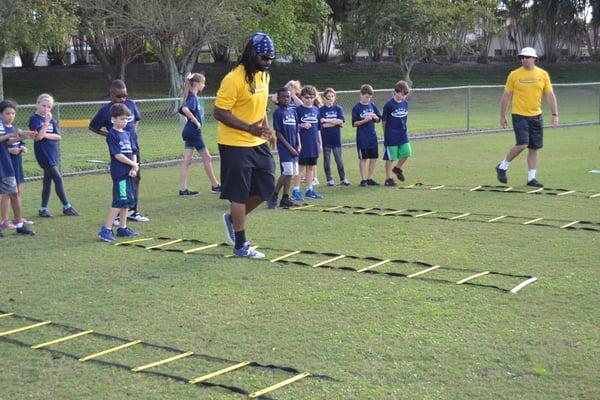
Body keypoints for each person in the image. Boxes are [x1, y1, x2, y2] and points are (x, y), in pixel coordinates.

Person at [213, 32, 276, 259]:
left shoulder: (264, 77)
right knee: (238, 195)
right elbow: (219, 112)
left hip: (258, 141)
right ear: (252, 54)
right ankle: (241, 245)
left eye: (271, 58)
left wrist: (268, 130)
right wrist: (249, 128)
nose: (268, 63)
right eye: (264, 58)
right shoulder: (233, 79)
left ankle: (232, 219)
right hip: (234, 143)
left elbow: (261, 107)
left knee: (267, 188)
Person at [496, 47, 559, 187]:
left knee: (534, 147)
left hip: (536, 116)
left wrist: (554, 114)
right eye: (521, 57)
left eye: (526, 57)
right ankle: (502, 166)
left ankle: (531, 179)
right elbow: (506, 96)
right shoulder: (514, 75)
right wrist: (502, 115)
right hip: (519, 115)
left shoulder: (543, 74)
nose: (523, 59)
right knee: (523, 144)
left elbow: (549, 95)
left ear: (534, 59)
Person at [89, 80, 149, 222]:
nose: (122, 99)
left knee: (135, 177)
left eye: (125, 96)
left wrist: (133, 132)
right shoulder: (106, 111)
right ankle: (116, 216)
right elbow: (92, 127)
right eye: (119, 96)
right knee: (121, 181)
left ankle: (132, 211)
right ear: (111, 94)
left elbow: (137, 119)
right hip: (119, 152)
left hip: (133, 148)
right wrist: (109, 135)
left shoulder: (131, 104)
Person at [29, 94, 79, 217]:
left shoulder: (53, 120)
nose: (46, 109)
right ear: (37, 104)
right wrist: (46, 124)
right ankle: (67, 206)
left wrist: (44, 133)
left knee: (47, 181)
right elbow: (38, 137)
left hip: (53, 152)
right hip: (43, 153)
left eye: (49, 107)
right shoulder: (34, 119)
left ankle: (43, 209)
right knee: (58, 178)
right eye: (44, 105)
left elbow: (58, 136)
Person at [98, 104, 140, 243]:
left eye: (127, 119)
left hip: (129, 172)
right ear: (113, 119)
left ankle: (123, 228)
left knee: (127, 201)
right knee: (119, 201)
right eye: (122, 119)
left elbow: (133, 151)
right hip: (120, 173)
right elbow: (117, 155)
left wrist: (134, 168)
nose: (125, 122)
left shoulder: (128, 134)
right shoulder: (112, 135)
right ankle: (106, 229)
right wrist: (133, 164)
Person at [178, 72, 221, 196]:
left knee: (187, 160)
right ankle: (215, 185)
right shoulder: (192, 97)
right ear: (196, 84)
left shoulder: (191, 96)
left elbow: (181, 110)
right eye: (203, 83)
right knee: (207, 157)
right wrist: (195, 121)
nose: (204, 85)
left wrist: (189, 121)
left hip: (189, 132)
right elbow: (185, 109)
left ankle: (183, 189)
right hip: (193, 132)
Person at [0, 100, 34, 235]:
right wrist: (11, 134)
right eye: (7, 113)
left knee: (13, 192)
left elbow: (7, 142)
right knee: (10, 193)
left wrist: (23, 136)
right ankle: (5, 222)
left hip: (5, 164)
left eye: (13, 113)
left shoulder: (6, 125)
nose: (11, 116)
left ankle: (19, 224)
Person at [268, 87, 300, 209]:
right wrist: (289, 148)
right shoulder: (278, 113)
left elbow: (297, 130)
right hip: (285, 148)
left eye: (288, 96)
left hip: (294, 147)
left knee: (291, 173)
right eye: (283, 97)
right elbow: (278, 133)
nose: (286, 99)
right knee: (287, 172)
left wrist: (299, 145)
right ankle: (274, 195)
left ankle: (285, 198)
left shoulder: (293, 112)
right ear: (279, 98)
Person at [291, 85, 323, 200]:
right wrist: (302, 125)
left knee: (311, 168)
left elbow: (318, 129)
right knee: (300, 168)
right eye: (306, 97)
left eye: (311, 97)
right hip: (302, 144)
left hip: (313, 144)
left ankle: (310, 190)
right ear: (302, 97)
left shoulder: (316, 110)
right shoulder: (298, 110)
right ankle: (296, 190)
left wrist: (320, 143)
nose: (309, 99)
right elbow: (293, 127)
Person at [382, 80, 412, 187]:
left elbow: (405, 118)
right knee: (391, 157)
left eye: (405, 95)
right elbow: (384, 121)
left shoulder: (405, 103)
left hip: (402, 134)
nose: (403, 97)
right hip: (391, 135)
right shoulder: (389, 105)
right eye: (402, 94)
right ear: (396, 92)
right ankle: (388, 179)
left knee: (407, 152)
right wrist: (387, 133)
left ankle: (397, 168)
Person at [352, 84, 382, 187]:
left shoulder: (372, 105)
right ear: (361, 95)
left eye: (369, 97)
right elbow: (354, 123)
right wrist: (365, 120)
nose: (368, 99)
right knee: (363, 158)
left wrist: (375, 117)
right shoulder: (356, 107)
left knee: (374, 158)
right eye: (366, 97)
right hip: (362, 137)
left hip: (372, 137)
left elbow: (378, 119)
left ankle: (370, 178)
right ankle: (363, 179)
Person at [319, 87, 349, 187]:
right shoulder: (321, 110)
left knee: (339, 160)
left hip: (336, 139)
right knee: (327, 161)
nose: (330, 98)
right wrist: (335, 122)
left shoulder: (338, 108)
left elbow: (341, 121)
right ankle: (329, 179)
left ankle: (343, 178)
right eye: (328, 96)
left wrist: (327, 120)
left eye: (332, 96)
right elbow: (323, 125)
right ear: (324, 98)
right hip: (326, 139)